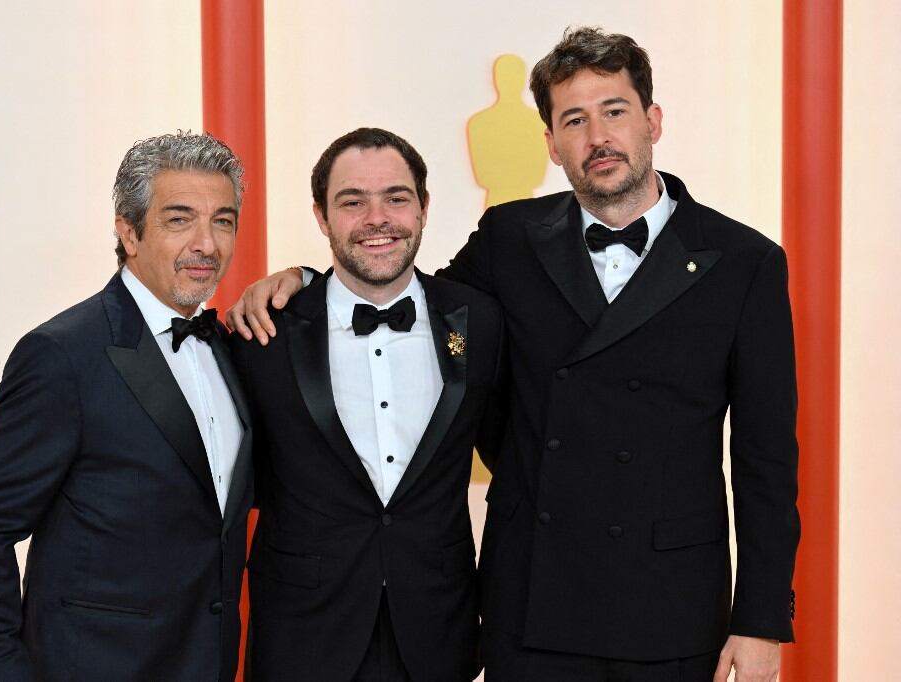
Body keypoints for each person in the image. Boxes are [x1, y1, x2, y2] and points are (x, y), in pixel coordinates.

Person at [227, 27, 799, 682]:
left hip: (669, 603)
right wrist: (306, 281)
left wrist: (760, 620)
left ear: (653, 120)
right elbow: (406, 296)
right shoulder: (512, 237)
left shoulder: (743, 262)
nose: (597, 137)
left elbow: (767, 461)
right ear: (551, 143)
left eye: (614, 111)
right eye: (573, 121)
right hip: (530, 598)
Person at [0, 132, 253, 681]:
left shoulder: (231, 349)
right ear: (129, 232)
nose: (207, 244)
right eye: (180, 220)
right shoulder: (61, 354)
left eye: (223, 221)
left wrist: (302, 277)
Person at [229, 127, 506, 682]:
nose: (377, 219)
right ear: (322, 216)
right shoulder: (264, 333)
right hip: (302, 635)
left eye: (396, 198)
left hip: (436, 629)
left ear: (423, 207)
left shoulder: (479, 320)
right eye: (352, 202)